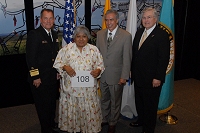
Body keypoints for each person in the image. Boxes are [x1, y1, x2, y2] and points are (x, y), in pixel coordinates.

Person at [53, 25, 105, 133]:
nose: (81, 39)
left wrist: (98, 70)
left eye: (84, 36)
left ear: (88, 37)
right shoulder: (67, 49)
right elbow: (57, 63)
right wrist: (65, 67)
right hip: (71, 92)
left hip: (88, 92)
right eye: (78, 36)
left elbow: (101, 65)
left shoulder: (93, 50)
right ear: (74, 37)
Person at [130, 7, 170, 133]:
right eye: (144, 17)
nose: (146, 20)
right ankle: (141, 120)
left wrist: (158, 77)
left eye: (149, 17)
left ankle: (148, 128)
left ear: (155, 19)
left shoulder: (162, 35)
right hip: (138, 76)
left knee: (150, 106)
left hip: (153, 79)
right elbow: (135, 54)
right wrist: (132, 70)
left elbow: (163, 59)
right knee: (140, 102)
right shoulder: (139, 32)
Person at [96, 9, 132, 133]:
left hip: (117, 76)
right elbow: (98, 56)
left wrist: (124, 76)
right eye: (107, 20)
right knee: (104, 99)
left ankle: (113, 122)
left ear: (117, 20)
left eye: (111, 20)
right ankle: (104, 118)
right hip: (103, 75)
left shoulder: (126, 36)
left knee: (115, 101)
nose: (109, 22)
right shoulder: (100, 34)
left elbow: (127, 58)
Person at [26, 9, 59, 133]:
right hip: (40, 79)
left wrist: (57, 71)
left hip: (51, 77)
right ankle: (46, 129)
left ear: (54, 20)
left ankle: (51, 123)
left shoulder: (54, 34)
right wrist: (35, 77)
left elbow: (54, 56)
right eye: (46, 18)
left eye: (51, 18)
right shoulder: (35, 34)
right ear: (40, 20)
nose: (48, 21)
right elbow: (30, 58)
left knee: (51, 104)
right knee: (43, 106)